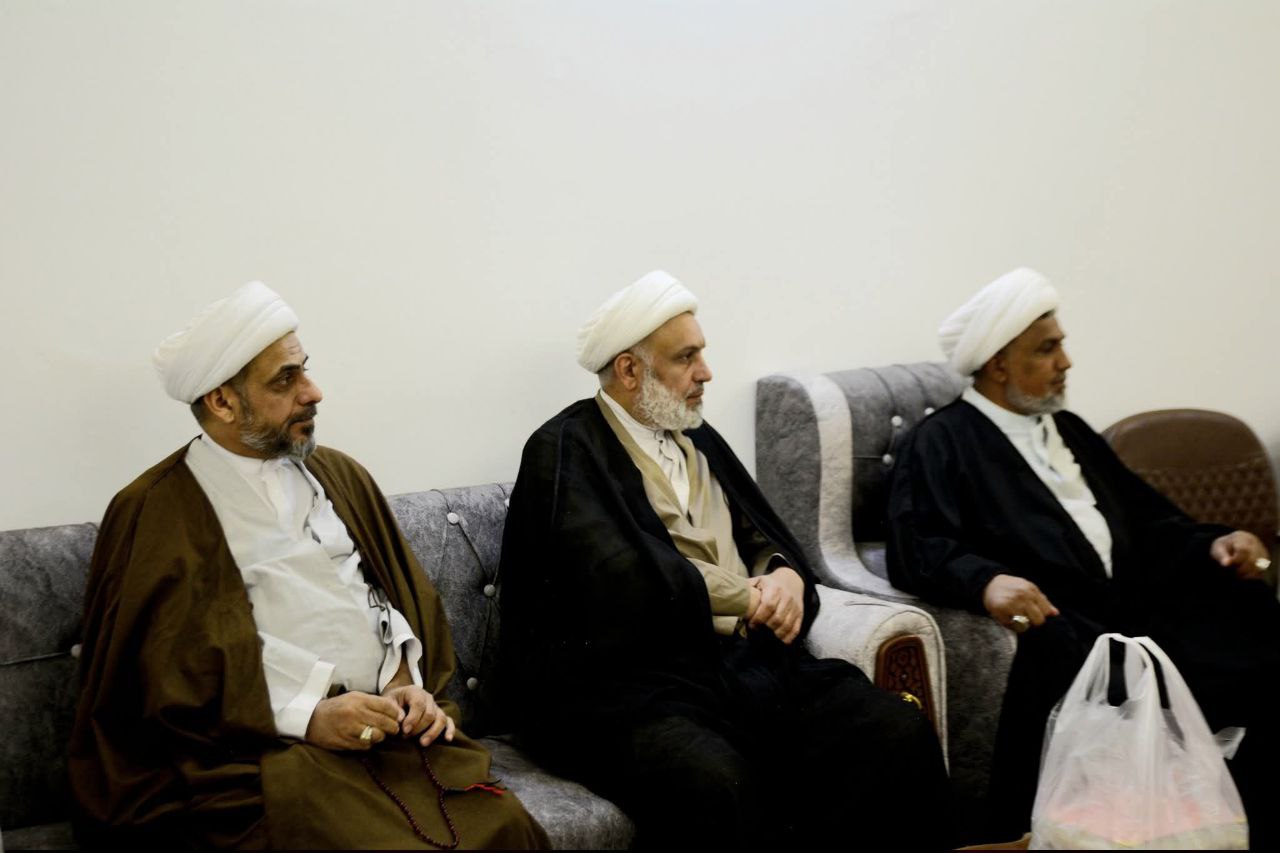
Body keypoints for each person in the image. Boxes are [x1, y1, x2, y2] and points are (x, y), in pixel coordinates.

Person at [69, 281, 548, 849]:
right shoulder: (154, 508)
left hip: (388, 734)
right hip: (266, 754)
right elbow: (163, 671)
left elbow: (394, 598)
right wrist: (310, 715)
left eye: (305, 370)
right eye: (285, 380)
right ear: (222, 402)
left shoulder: (338, 474)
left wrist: (404, 684)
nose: (313, 392)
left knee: (505, 826)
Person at [500, 270, 951, 849]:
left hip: (736, 667)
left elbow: (761, 533)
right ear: (630, 370)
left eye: (701, 353)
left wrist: (784, 574)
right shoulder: (565, 448)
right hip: (629, 688)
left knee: (894, 729)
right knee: (717, 783)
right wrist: (750, 597)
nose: (706, 372)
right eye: (685, 357)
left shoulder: (696, 434)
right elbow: (617, 577)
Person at [887, 266, 1280, 844]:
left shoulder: (1066, 428)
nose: (1065, 362)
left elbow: (1147, 522)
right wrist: (986, 580)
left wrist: (1215, 542)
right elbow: (916, 545)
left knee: (1251, 611)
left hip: (1134, 608)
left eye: (1060, 345)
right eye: (1047, 349)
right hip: (1067, 626)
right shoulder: (942, 441)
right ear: (999, 364)